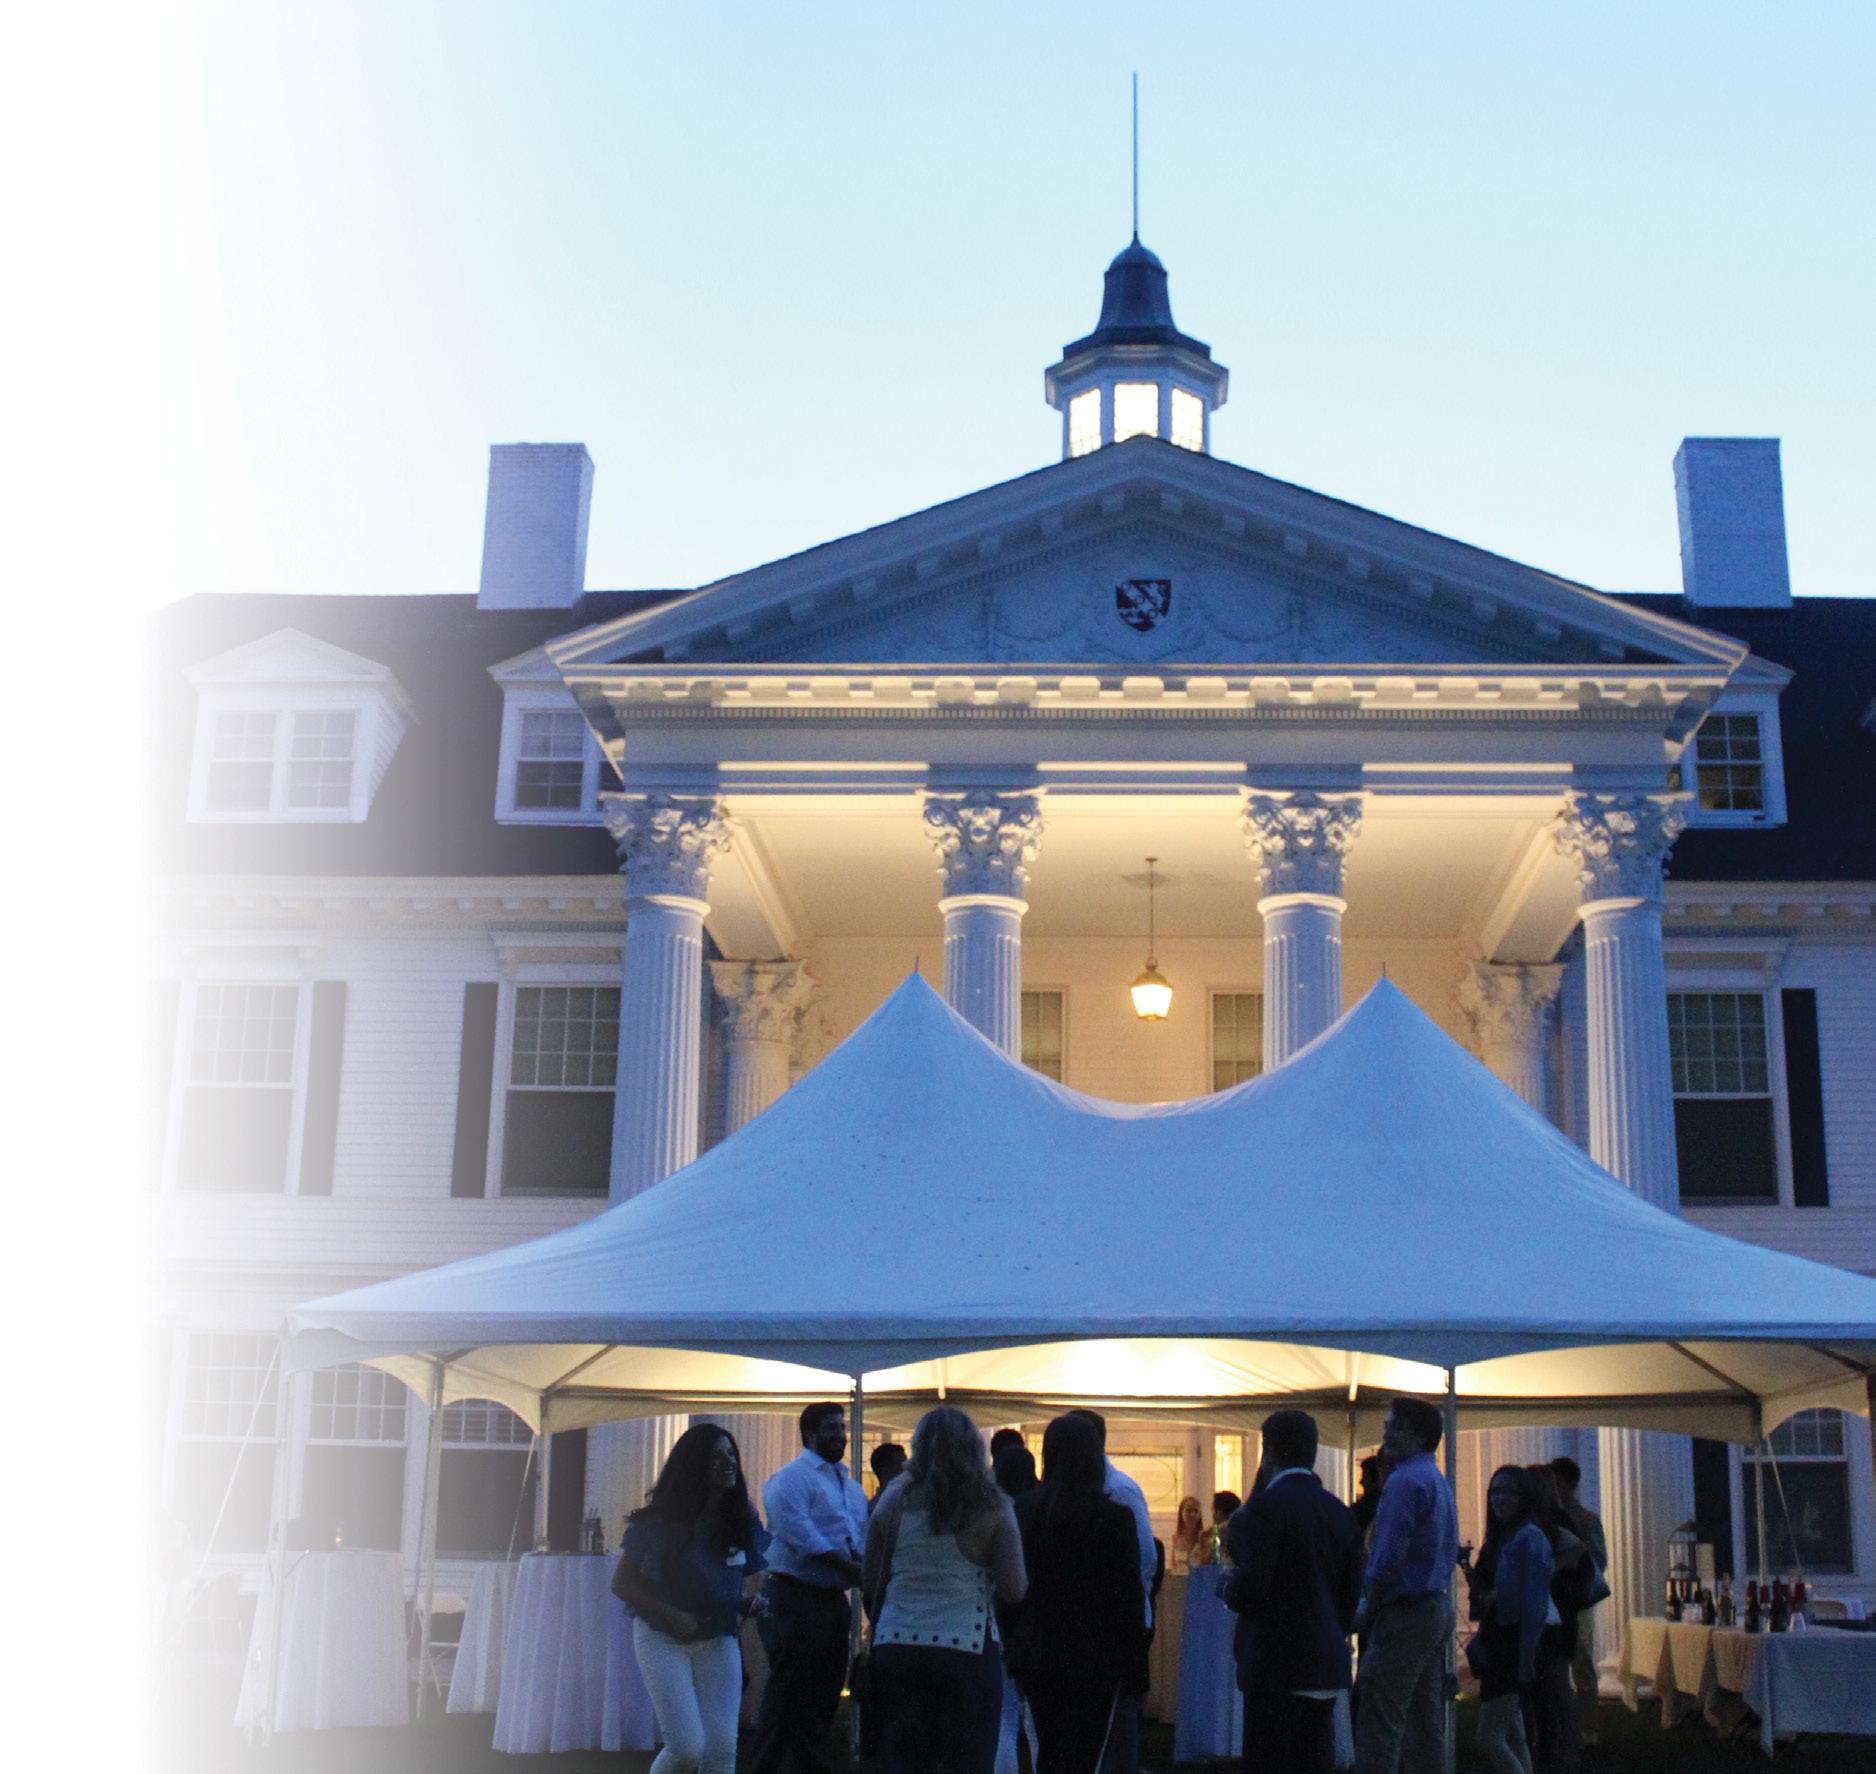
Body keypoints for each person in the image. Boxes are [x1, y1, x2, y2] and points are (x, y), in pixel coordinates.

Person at [863, 1406, 1027, 1774]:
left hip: (897, 1641)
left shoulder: (894, 1499)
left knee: (905, 1761)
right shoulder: (993, 1504)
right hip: (966, 1645)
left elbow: (871, 1578)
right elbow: (1014, 1588)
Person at [611, 1424, 769, 1774]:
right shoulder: (660, 1523)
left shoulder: (741, 1518)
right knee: (686, 1748)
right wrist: (673, 1615)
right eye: (716, 1456)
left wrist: (745, 1602)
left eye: (731, 1453)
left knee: (721, 1750)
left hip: (718, 1637)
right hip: (662, 1637)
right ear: (694, 1465)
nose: (728, 1462)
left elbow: (739, 1576)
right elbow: (621, 1583)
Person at [1222, 1410, 1364, 1774]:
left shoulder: (1266, 1507)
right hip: (1325, 1662)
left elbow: (1254, 1585)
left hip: (1276, 1662)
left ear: (1269, 1451)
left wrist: (1227, 1587)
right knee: (1314, 1759)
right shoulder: (1339, 1512)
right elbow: (1350, 1593)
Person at [1005, 1414, 1148, 1774]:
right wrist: (1136, 1670)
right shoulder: (1113, 1519)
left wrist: (1015, 1643)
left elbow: (1012, 1588)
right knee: (1085, 1756)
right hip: (1095, 1658)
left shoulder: (1027, 1511)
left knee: (1049, 1750)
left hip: (1039, 1653)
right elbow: (1127, 1598)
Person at [752, 1401, 870, 1774]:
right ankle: (766, 1766)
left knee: (824, 1694)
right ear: (810, 1434)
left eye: (842, 1428)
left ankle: (808, 1765)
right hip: (794, 1596)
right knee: (788, 1693)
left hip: (832, 1599)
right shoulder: (791, 1479)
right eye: (832, 1428)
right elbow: (802, 1536)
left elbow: (857, 1538)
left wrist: (859, 1568)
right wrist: (854, 1570)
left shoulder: (850, 1487)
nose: (840, 1435)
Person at [1352, 1396, 1459, 1774]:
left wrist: (1368, 1609)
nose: (1387, 1434)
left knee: (1380, 1721)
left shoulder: (1403, 1482)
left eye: (1396, 1427)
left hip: (1404, 1612)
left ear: (1420, 1435)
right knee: (1425, 1724)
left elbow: (1387, 1558)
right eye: (1387, 1426)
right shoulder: (1436, 1480)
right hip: (1434, 1606)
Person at [1064, 1409, 1155, 1774]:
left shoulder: (1119, 1490)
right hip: (1091, 1622)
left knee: (1117, 1720)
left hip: (1118, 1620)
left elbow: (1145, 1559)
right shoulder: (1078, 1489)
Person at [1458, 1465, 1551, 1774]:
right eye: (1495, 1491)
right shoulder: (1500, 1539)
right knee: (1513, 1734)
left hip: (1511, 1644)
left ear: (1524, 1496)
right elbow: (1487, 1593)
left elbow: (1534, 1602)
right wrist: (1467, 1568)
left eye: (1509, 1492)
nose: (1500, 1498)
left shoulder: (1529, 1537)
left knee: (1489, 1738)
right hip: (1498, 1639)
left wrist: (1527, 1656)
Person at [1524, 1465, 1589, 1771]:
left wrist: (1549, 1567)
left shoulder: (1556, 1522)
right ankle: (1554, 1744)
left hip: (1558, 1612)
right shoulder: (1549, 1519)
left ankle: (1567, 1746)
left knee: (1558, 1683)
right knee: (1551, 1684)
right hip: (1555, 1611)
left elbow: (1577, 1554)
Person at [1548, 1456, 1607, 1747]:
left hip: (1577, 1599)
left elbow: (1599, 1560)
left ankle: (1587, 1728)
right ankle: (1571, 1727)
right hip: (1561, 1598)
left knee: (1581, 1660)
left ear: (1569, 1484)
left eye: (1556, 1481)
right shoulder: (1553, 1518)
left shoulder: (1585, 1520)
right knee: (1562, 1662)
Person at [989, 1439, 1041, 1774]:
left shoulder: (994, 1512)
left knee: (1003, 1717)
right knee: (1037, 1720)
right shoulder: (1043, 1508)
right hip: (1039, 1623)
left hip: (1000, 1619)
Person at [1172, 1495, 1208, 1573]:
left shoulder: (1204, 1538)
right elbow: (1173, 1566)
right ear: (1181, 1513)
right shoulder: (1176, 1537)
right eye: (1188, 1510)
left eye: (1196, 1511)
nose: (1192, 1514)